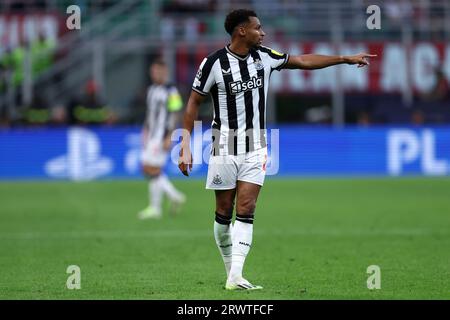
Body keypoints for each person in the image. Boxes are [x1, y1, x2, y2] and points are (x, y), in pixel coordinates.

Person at [178, 9, 376, 290]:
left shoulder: (265, 57)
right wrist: (185, 145)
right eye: (258, 28)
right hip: (224, 145)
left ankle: (236, 275)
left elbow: (303, 61)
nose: (263, 32)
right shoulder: (212, 64)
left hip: (256, 145)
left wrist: (344, 58)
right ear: (241, 31)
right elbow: (192, 104)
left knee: (246, 208)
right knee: (224, 213)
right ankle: (230, 269)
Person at [138, 59, 186, 220]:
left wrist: (169, 136)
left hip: (160, 135)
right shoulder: (151, 89)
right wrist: (145, 130)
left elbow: (175, 112)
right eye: (153, 71)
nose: (155, 74)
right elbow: (149, 114)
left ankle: (165, 202)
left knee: (150, 168)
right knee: (150, 169)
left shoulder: (171, 90)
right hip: (151, 134)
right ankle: (165, 201)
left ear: (165, 72)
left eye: (158, 71)